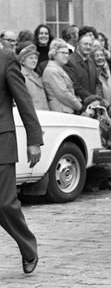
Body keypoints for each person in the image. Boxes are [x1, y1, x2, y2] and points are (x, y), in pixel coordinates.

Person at [0, 48, 43, 274]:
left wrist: (34, 139)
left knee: (4, 204)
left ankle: (28, 248)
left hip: (1, 142)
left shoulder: (6, 58)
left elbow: (23, 99)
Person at [42, 39, 82, 113]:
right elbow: (64, 94)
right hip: (60, 111)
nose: (66, 55)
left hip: (64, 110)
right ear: (54, 53)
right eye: (63, 53)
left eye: (67, 53)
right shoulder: (52, 70)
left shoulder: (58, 68)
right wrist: (80, 106)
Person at [64, 33, 101, 101]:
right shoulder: (70, 61)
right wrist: (92, 98)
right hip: (80, 103)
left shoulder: (91, 61)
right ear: (78, 45)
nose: (88, 47)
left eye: (90, 45)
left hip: (93, 102)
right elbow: (75, 86)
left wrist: (97, 97)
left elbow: (97, 82)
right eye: (85, 44)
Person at [17, 44, 48, 111]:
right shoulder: (20, 76)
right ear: (22, 61)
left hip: (43, 114)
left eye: (36, 58)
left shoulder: (37, 76)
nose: (34, 61)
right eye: (31, 58)